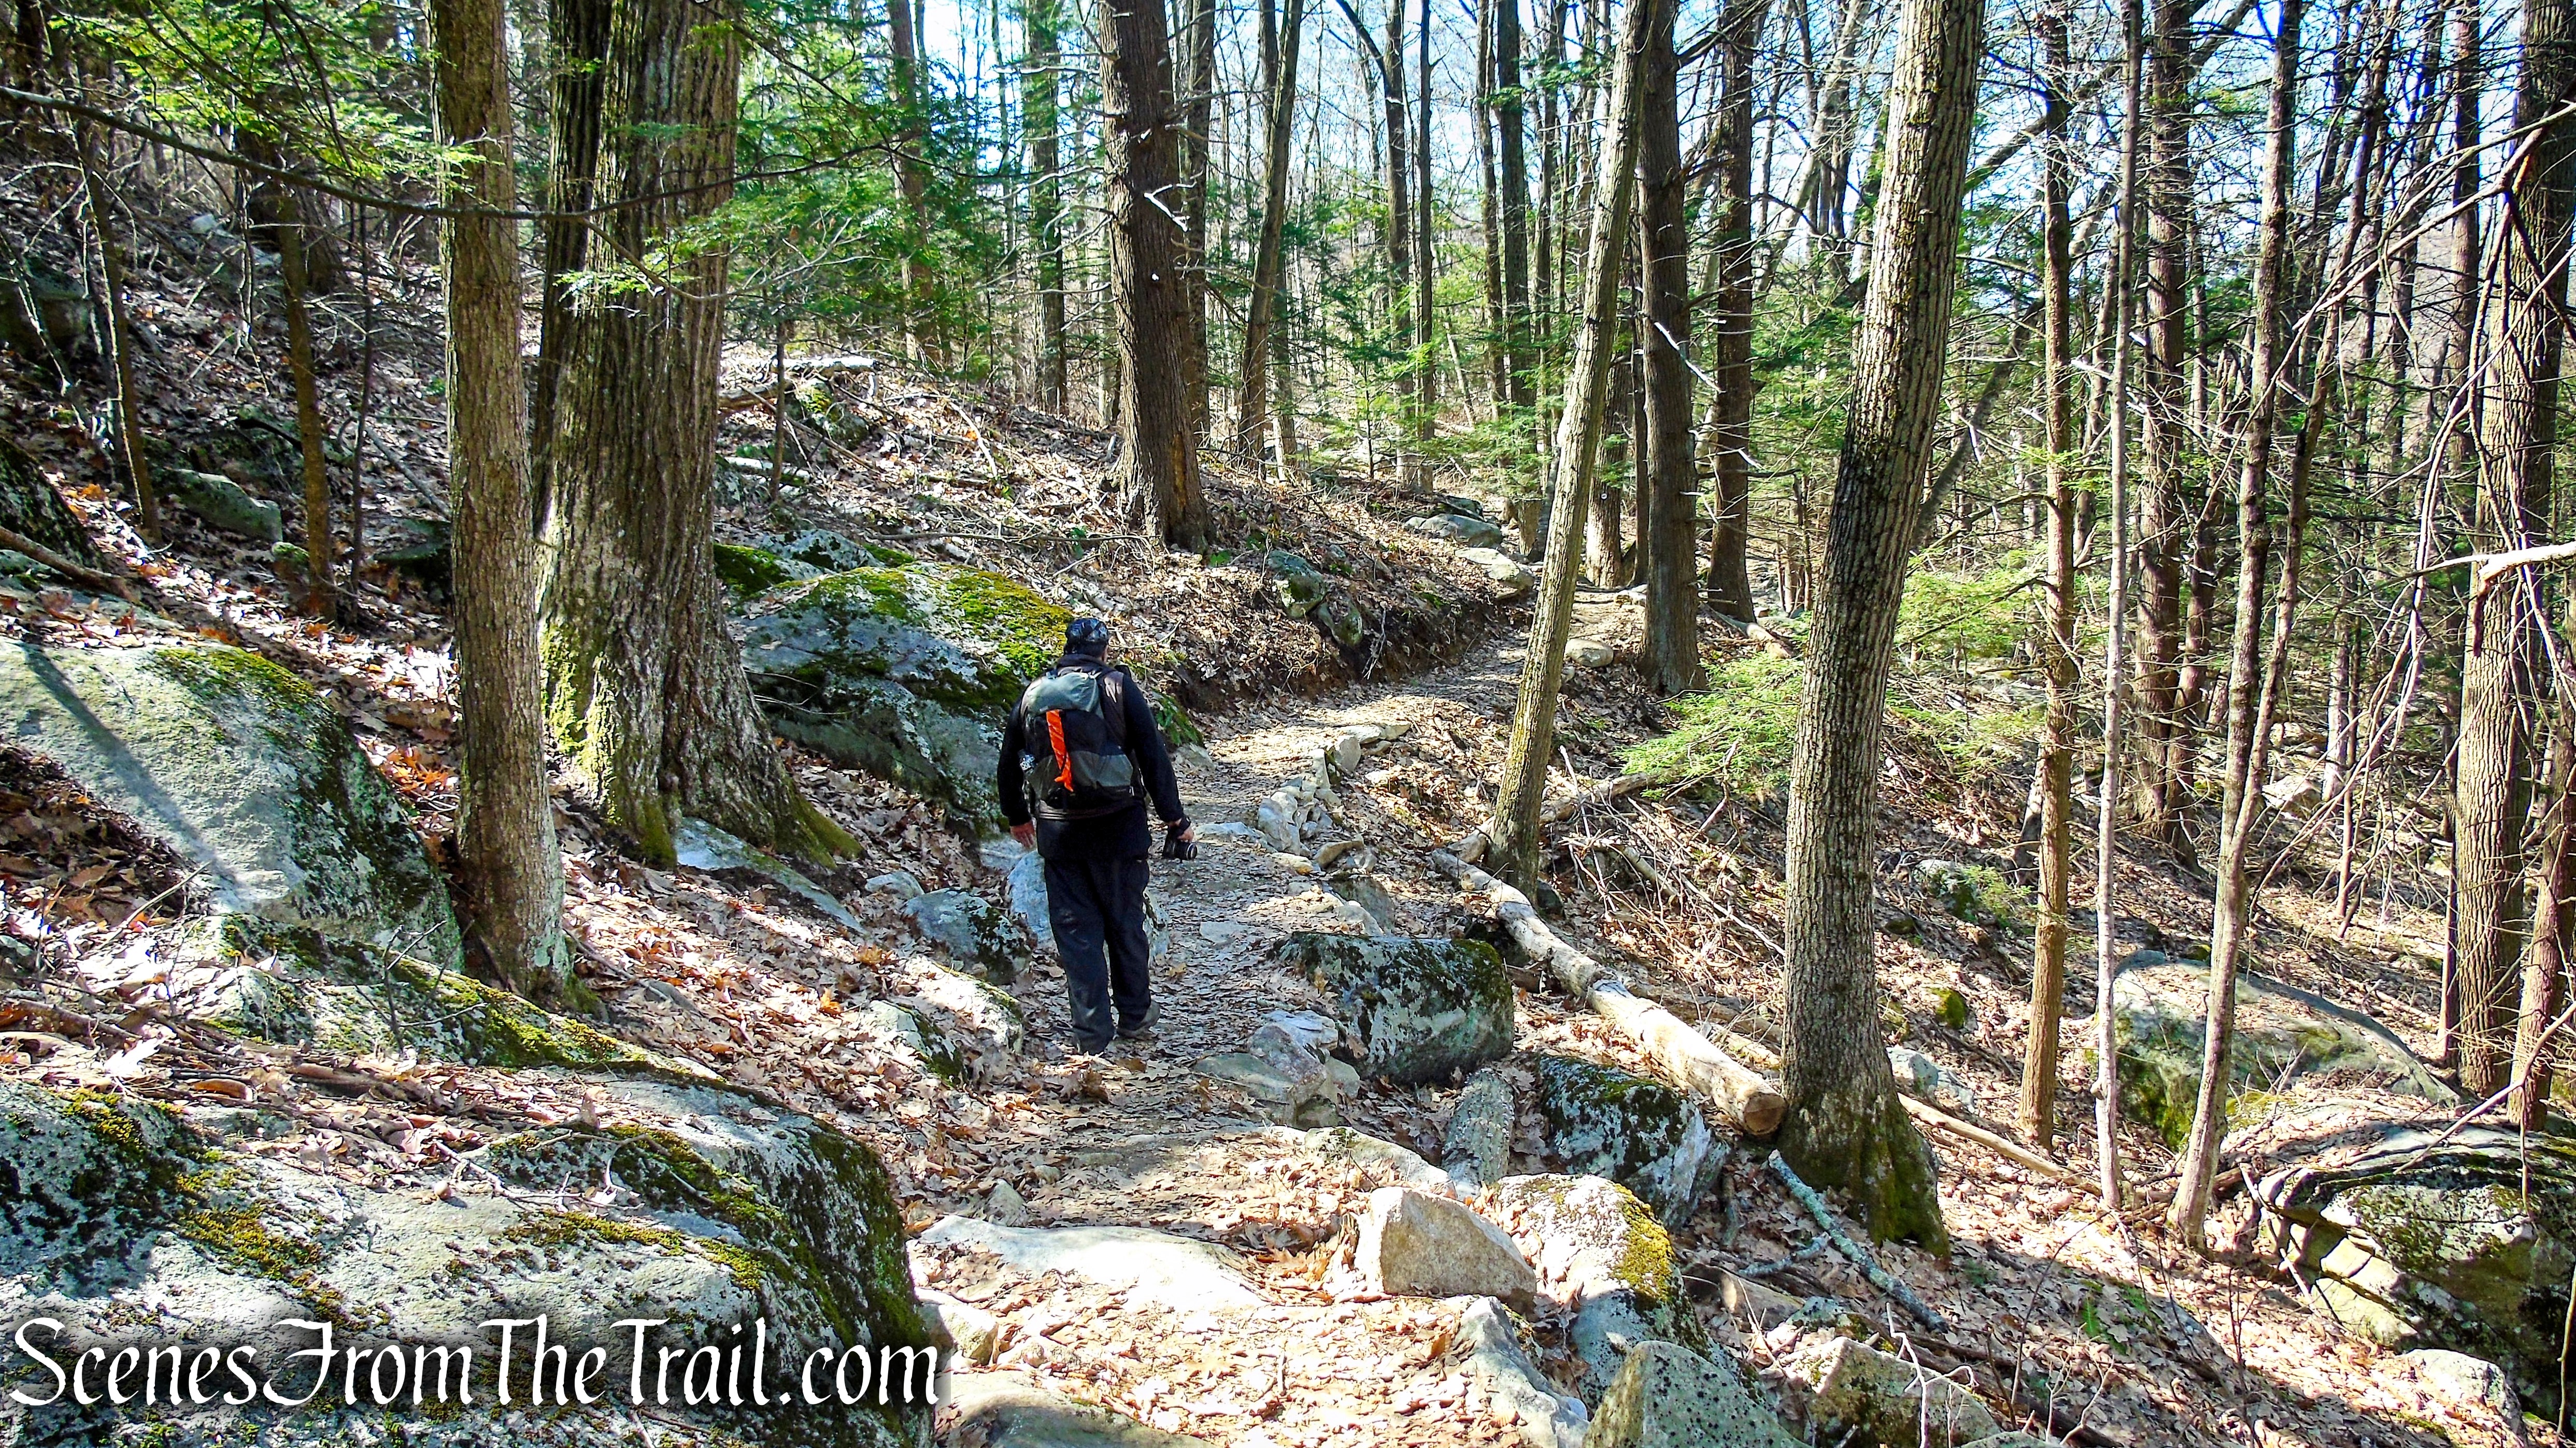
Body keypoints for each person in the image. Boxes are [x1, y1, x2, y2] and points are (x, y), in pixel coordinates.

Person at [997, 617, 1194, 1053]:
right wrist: (1175, 819)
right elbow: (1152, 754)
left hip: (1059, 832)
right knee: (1125, 922)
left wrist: (1017, 816)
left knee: (1076, 931)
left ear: (1066, 649)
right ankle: (1136, 1014)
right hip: (1119, 829)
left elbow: (1009, 760)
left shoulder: (1035, 693)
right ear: (1104, 651)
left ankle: (1091, 1033)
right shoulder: (1119, 688)